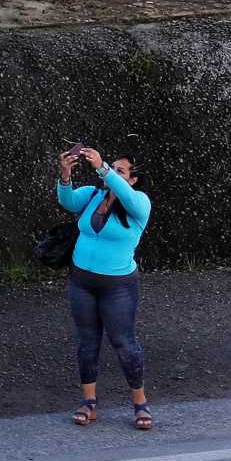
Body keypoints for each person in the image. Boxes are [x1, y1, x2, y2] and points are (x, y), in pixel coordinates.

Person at [56, 145, 154, 430]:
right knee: (87, 342)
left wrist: (102, 168)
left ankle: (140, 403)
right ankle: (89, 402)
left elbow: (123, 194)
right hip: (81, 281)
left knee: (124, 343)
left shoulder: (139, 202)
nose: (111, 173)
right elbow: (68, 202)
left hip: (118, 287)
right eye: (111, 167)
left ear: (133, 180)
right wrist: (64, 176)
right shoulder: (93, 194)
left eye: (119, 171)